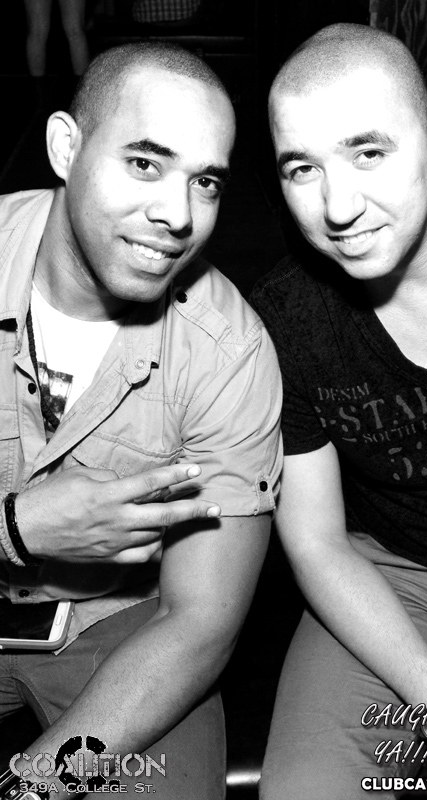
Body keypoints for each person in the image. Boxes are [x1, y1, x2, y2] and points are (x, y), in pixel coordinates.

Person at [251, 22, 427, 799]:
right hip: (398, 581)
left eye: (367, 153)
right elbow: (315, 543)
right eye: (302, 168)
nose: (338, 206)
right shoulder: (284, 321)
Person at [1, 40, 281, 799]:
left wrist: (30, 789)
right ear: (66, 148)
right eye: (145, 163)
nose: (177, 215)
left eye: (205, 181)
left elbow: (200, 624)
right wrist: (15, 528)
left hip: (118, 625)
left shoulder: (228, 352)